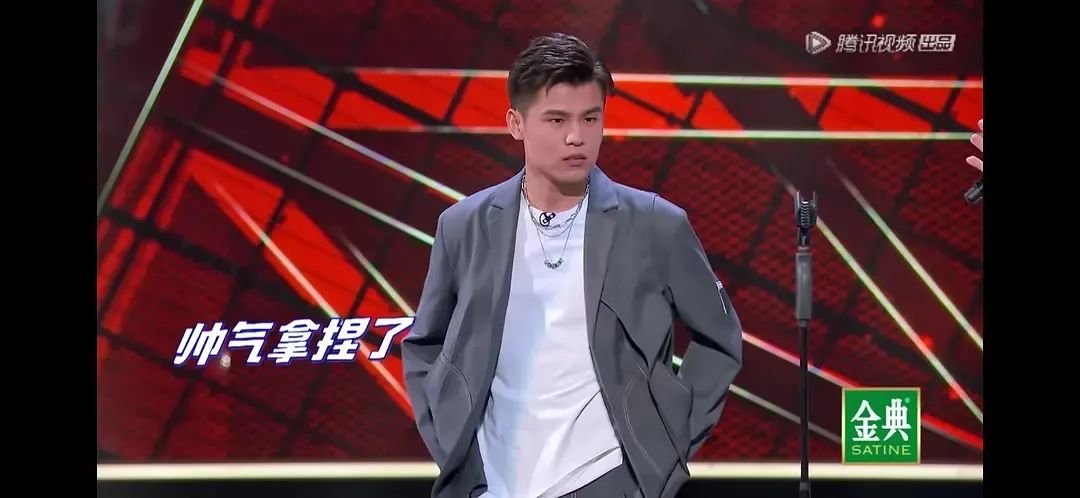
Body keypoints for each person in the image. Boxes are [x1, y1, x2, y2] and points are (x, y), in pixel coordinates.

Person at [401, 33, 744, 498]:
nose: (576, 137)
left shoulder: (655, 225)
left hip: (608, 479)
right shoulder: (465, 226)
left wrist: (666, 445)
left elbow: (719, 338)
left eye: (590, 118)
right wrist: (453, 445)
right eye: (556, 119)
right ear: (516, 123)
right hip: (492, 484)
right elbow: (424, 345)